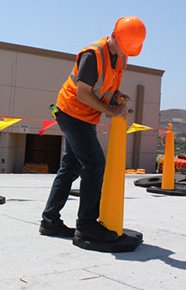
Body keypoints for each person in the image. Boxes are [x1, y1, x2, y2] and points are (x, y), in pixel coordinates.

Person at [39, 16, 146, 242]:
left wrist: (116, 95)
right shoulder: (92, 55)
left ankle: (50, 221)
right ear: (114, 35)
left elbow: (105, 85)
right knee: (95, 164)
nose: (126, 51)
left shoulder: (121, 56)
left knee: (70, 167)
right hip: (72, 113)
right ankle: (86, 225)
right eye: (124, 46)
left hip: (85, 116)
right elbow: (83, 93)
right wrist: (111, 110)